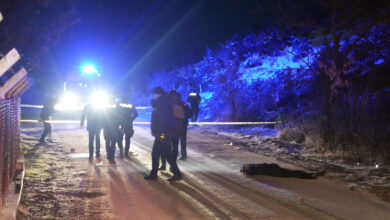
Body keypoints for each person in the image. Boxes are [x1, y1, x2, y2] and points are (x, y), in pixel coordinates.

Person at [144, 87, 182, 181]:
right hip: (161, 133)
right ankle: (175, 173)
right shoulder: (161, 103)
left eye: (154, 95)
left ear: (159, 95)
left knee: (159, 154)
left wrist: (164, 133)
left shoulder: (163, 104)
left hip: (162, 133)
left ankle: (155, 174)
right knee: (163, 154)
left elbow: (165, 120)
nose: (152, 97)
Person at [160, 90, 191, 168]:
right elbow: (190, 114)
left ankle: (173, 161)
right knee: (181, 141)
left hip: (175, 126)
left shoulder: (170, 105)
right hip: (181, 125)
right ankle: (182, 156)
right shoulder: (183, 104)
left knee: (174, 143)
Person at [102, 96, 120, 164]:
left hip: (106, 127)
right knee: (113, 142)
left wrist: (102, 125)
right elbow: (119, 117)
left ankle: (108, 155)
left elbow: (102, 116)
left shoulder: (105, 106)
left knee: (107, 141)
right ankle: (111, 157)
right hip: (114, 127)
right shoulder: (117, 106)